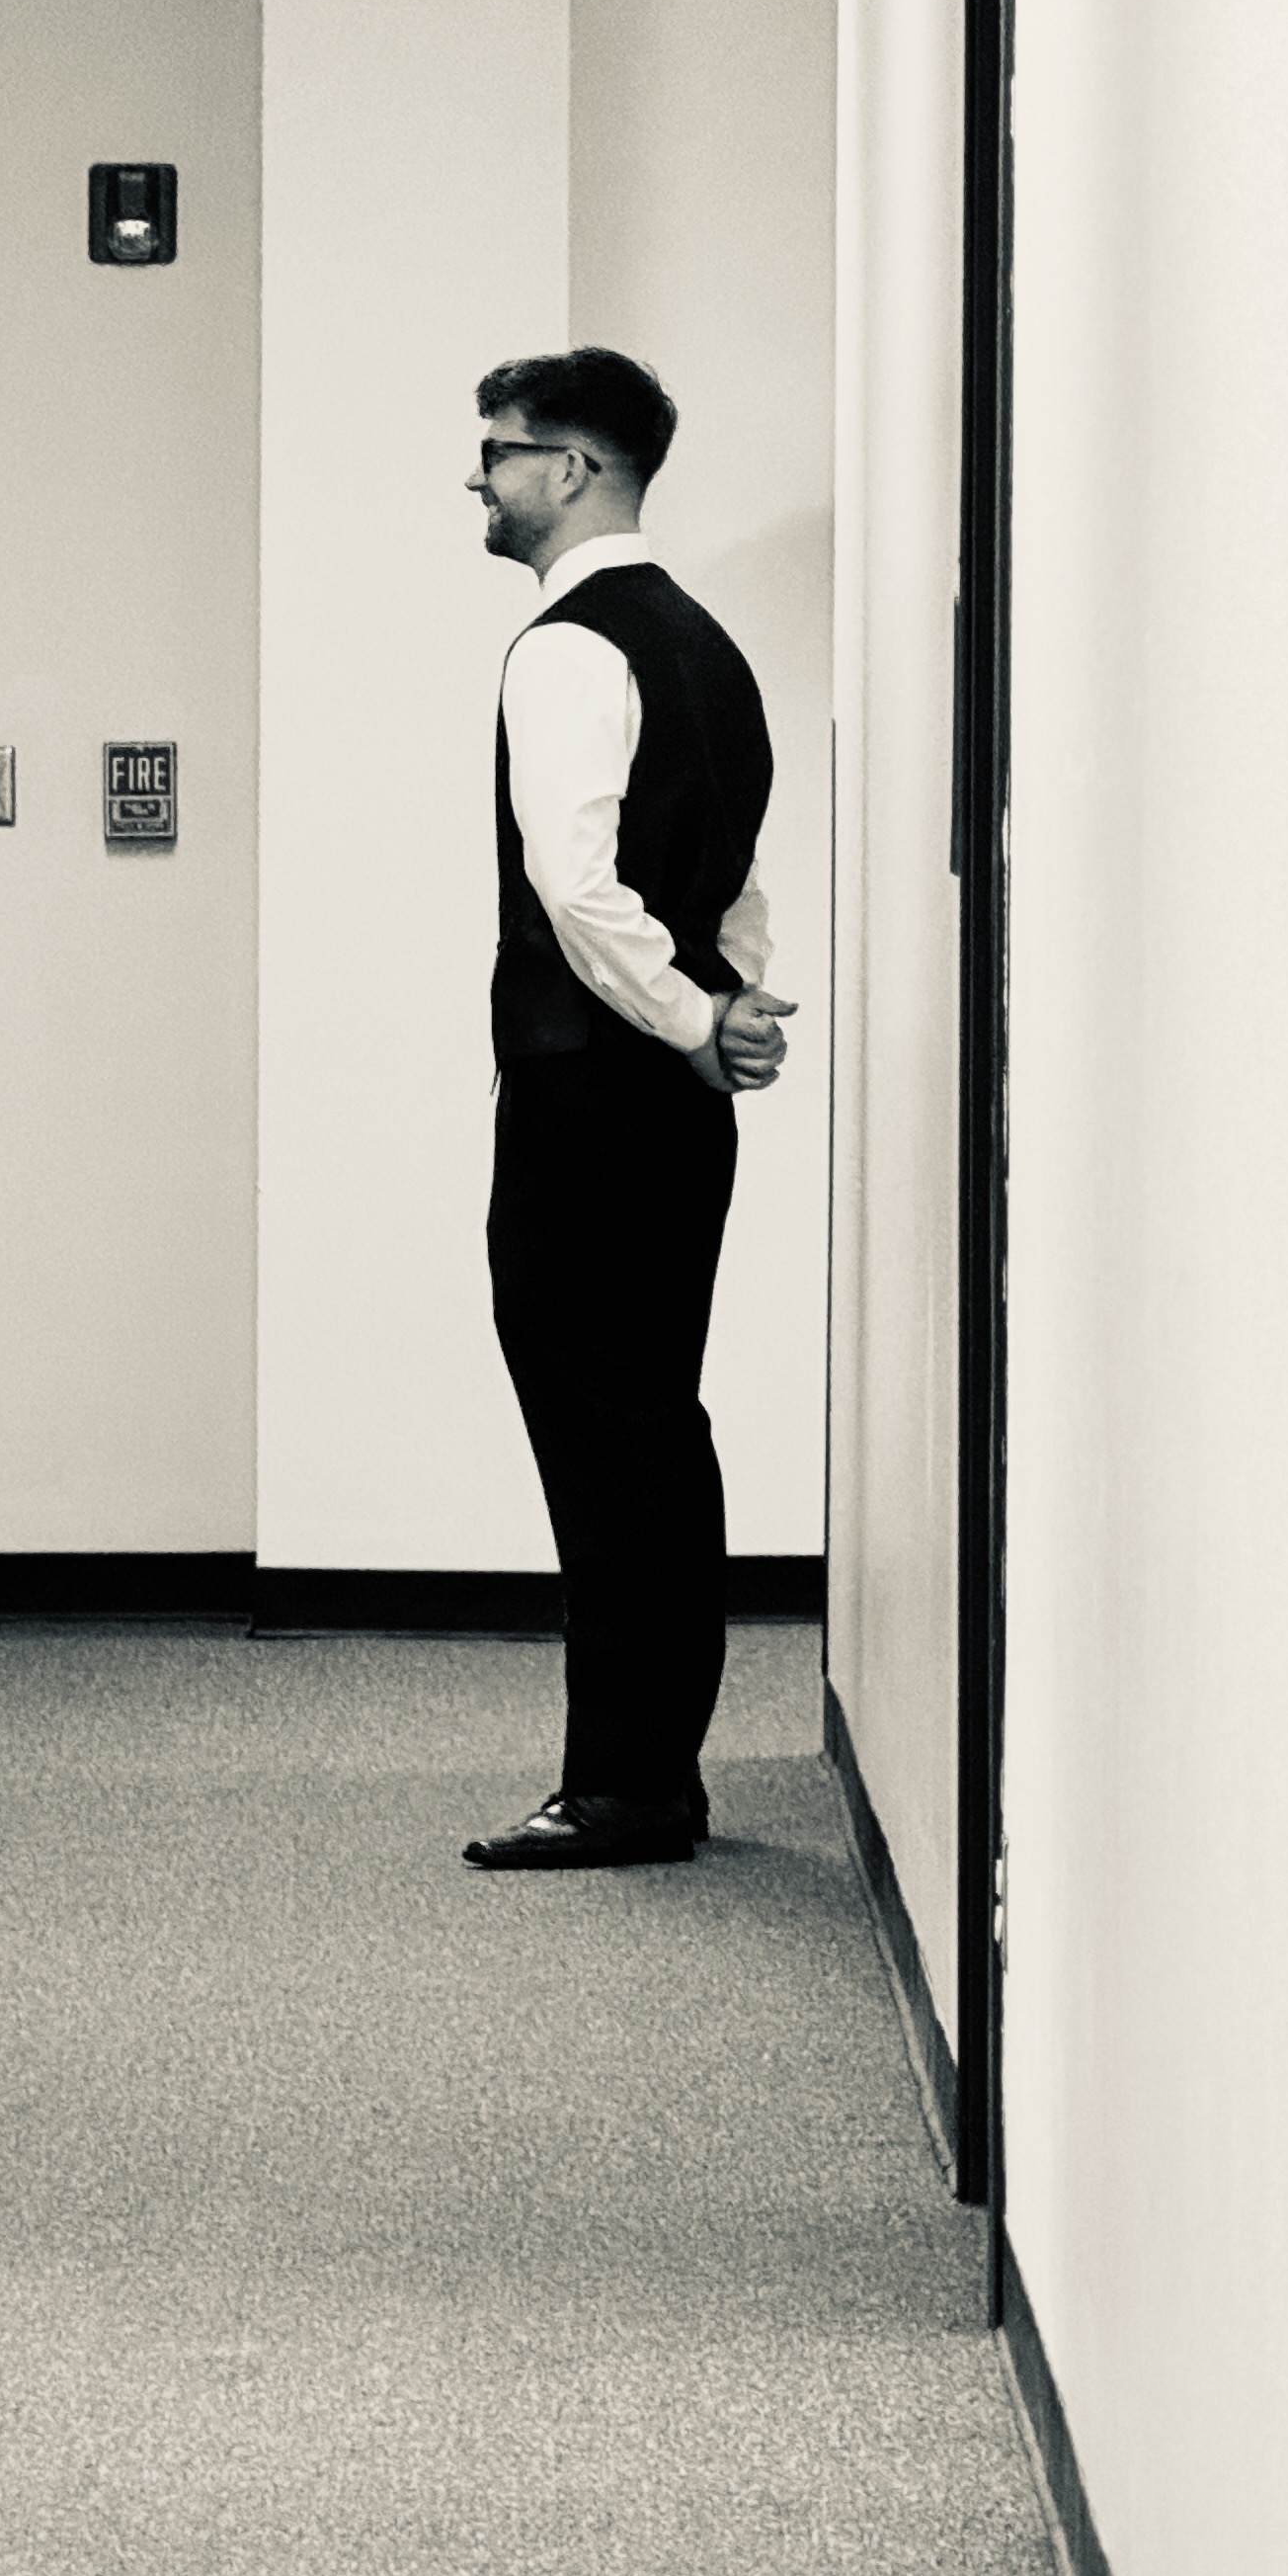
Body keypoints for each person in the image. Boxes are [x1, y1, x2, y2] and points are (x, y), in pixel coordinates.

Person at [455, 349, 796, 1871]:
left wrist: (689, 1018)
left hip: (590, 1094)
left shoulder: (567, 648)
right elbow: (733, 882)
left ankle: (627, 1787)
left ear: (576, 469)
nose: (479, 476)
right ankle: (654, 1767)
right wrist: (729, 1010)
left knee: (604, 1426)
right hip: (666, 1103)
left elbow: (575, 887)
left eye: (501, 450)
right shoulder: (707, 647)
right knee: (654, 1421)